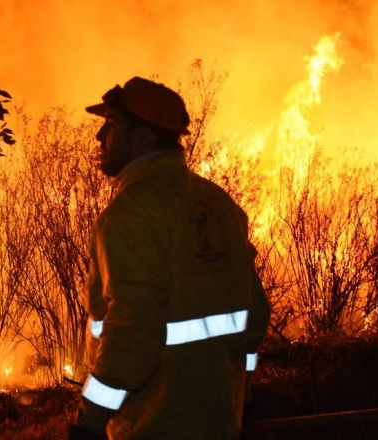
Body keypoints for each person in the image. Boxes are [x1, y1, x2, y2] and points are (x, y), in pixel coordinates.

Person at [70, 77, 271, 440]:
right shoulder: (221, 205)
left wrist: (91, 420)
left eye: (112, 125)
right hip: (221, 419)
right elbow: (255, 314)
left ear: (144, 139)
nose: (100, 136)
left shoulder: (130, 214)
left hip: (154, 423)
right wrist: (246, 392)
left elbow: (133, 331)